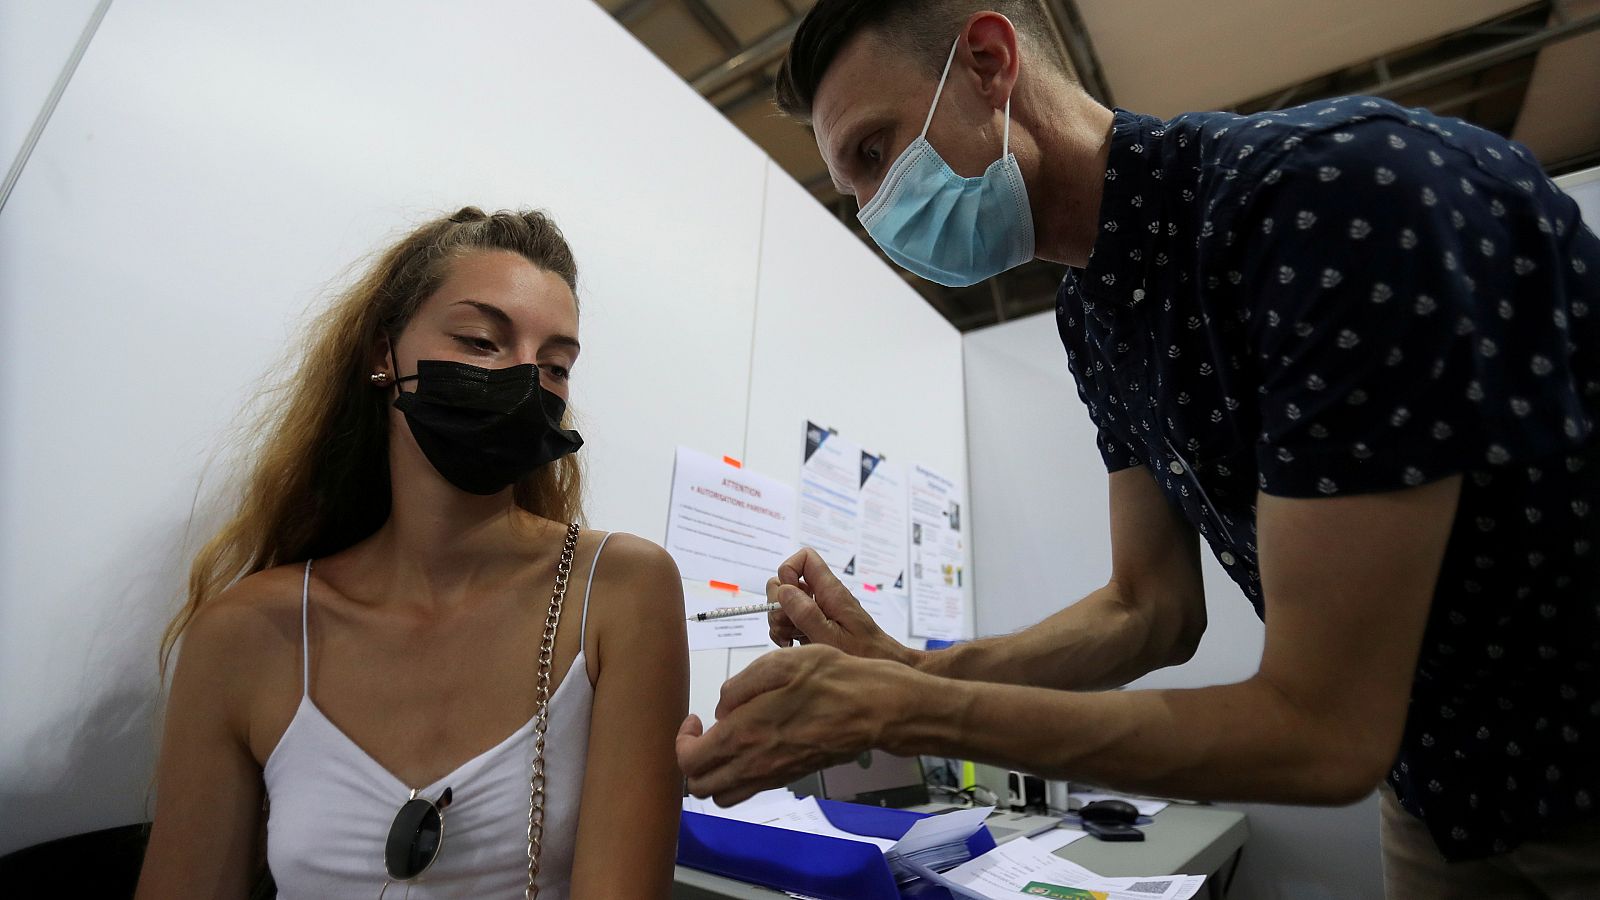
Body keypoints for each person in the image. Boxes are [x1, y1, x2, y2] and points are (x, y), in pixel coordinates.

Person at [674, 2, 1600, 895]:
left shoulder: (1330, 200)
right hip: (1438, 796)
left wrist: (894, 711)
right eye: (856, 189)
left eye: (877, 153)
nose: (879, 212)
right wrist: (911, 670)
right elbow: (1149, 609)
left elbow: (1324, 729)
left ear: (991, 65)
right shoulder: (1096, 311)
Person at [138, 207, 687, 898]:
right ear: (381, 354)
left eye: (555, 366)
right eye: (481, 341)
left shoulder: (620, 592)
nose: (523, 382)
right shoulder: (248, 633)